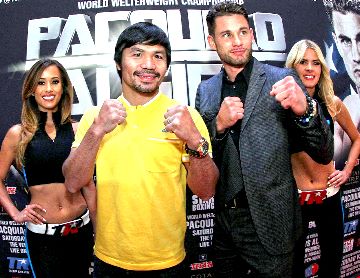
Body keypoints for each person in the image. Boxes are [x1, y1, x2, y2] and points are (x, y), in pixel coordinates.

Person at [62, 22, 219, 277]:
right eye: (137, 54)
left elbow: (206, 191)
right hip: (109, 259)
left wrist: (193, 140)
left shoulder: (185, 116)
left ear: (166, 66)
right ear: (118, 63)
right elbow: (72, 182)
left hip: (168, 262)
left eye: (158, 56)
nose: (148, 64)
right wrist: (96, 131)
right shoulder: (95, 118)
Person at [195, 2, 334, 277]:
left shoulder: (282, 78)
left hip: (274, 222)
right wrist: (217, 127)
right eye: (226, 35)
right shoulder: (206, 91)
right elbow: (203, 161)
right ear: (212, 42)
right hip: (225, 227)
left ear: (252, 35)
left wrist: (305, 111)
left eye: (243, 32)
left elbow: (324, 151)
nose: (237, 42)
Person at [0, 59, 96, 277]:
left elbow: (89, 184)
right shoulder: (18, 134)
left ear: (64, 88)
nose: (49, 89)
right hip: (42, 238)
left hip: (81, 230)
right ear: (31, 90)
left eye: (55, 81)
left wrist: (98, 230)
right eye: (41, 83)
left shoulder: (78, 129)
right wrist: (15, 213)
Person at [286, 39, 360, 278]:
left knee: (331, 265)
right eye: (303, 62)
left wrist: (347, 170)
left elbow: (356, 138)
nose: (310, 68)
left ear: (322, 69)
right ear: (293, 67)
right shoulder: (281, 108)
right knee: (294, 267)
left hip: (329, 198)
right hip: (295, 202)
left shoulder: (332, 104)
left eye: (316, 63)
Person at [323, 0, 360, 168]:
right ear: (336, 41)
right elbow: (332, 165)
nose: (356, 55)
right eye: (345, 40)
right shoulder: (345, 106)